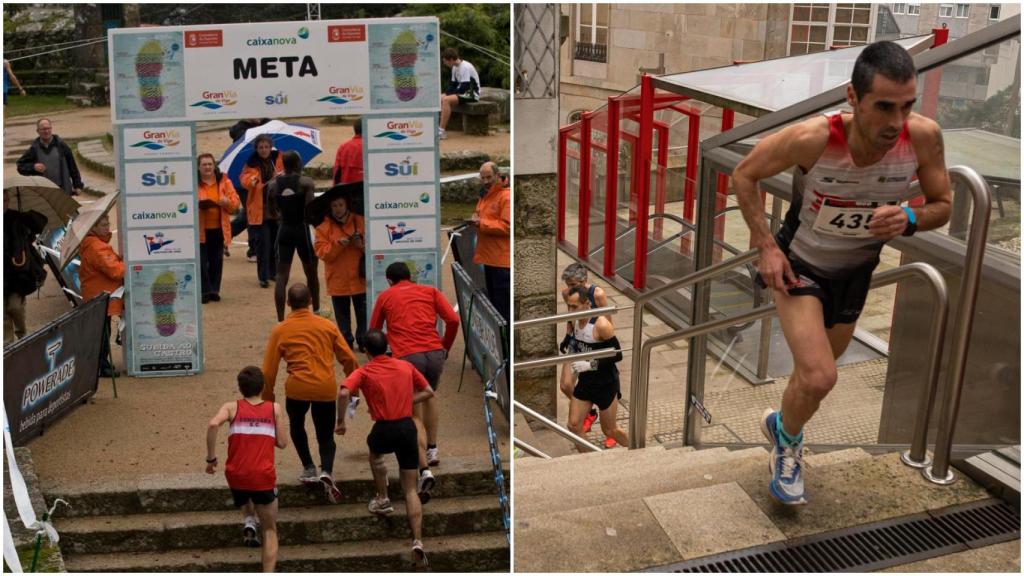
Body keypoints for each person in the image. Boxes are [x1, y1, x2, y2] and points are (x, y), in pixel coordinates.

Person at [732, 41, 951, 506]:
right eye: (884, 107)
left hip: (855, 273)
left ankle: (781, 427)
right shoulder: (815, 137)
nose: (896, 122)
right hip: (800, 268)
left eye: (907, 106)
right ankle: (789, 452)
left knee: (812, 380)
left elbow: (943, 205)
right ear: (853, 98)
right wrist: (767, 247)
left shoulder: (924, 137)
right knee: (819, 377)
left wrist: (910, 218)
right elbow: (744, 174)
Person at [335, 329, 434, 570]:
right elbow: (429, 391)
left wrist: (340, 422)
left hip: (384, 428)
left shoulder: (365, 370)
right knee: (411, 488)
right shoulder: (404, 367)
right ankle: (417, 540)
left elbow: (344, 391)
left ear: (366, 351)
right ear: (387, 346)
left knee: (375, 453)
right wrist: (406, 401)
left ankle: (383, 497)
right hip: (406, 428)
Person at [262, 283, 358, 504]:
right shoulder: (327, 326)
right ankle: (327, 471)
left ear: (287, 304)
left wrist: (268, 400)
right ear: (310, 302)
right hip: (324, 386)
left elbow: (269, 371)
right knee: (325, 434)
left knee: (297, 426)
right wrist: (353, 389)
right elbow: (349, 359)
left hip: (297, 387)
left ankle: (308, 466)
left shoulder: (280, 330)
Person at [370, 262, 459, 488]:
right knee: (430, 395)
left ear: (389, 280)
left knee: (413, 411)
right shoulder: (430, 291)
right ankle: (433, 447)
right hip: (434, 352)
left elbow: (374, 330)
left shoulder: (386, 296)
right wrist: (444, 346)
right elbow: (453, 319)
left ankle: (423, 466)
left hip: (408, 357)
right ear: (411, 276)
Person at [206, 366, 287, 573]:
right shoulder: (274, 409)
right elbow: (282, 443)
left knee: (243, 489)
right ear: (263, 387)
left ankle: (249, 519)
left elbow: (213, 424)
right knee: (270, 530)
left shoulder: (231, 407)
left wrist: (211, 458)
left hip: (236, 475)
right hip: (262, 476)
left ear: (240, 388)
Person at [562, 285, 628, 448]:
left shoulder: (602, 325)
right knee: (573, 426)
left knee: (610, 430)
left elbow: (618, 354)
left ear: (587, 304)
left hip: (606, 383)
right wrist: (567, 340)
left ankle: (638, 449)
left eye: (574, 306)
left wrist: (590, 364)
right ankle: (589, 461)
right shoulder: (573, 319)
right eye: (569, 306)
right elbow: (572, 333)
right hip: (586, 383)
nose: (571, 310)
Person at [267, 151, 319, 322]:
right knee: (311, 272)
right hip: (302, 229)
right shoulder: (306, 182)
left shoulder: (273, 184)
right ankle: (315, 312)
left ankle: (280, 319)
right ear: (298, 164)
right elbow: (311, 211)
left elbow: (270, 211)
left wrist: (281, 215)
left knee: (282, 275)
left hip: (285, 229)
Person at [559, 263, 610, 434]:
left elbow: (609, 321)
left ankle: (600, 416)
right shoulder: (567, 293)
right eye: (568, 285)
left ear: (584, 281)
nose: (570, 289)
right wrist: (567, 335)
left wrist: (605, 345)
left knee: (602, 387)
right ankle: (589, 411)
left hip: (594, 343)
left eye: (573, 285)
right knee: (566, 385)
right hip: (576, 340)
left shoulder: (598, 294)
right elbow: (570, 315)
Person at [314, 187, 367, 351]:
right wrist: (337, 245)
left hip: (360, 278)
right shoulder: (322, 227)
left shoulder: (361, 221)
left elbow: (374, 249)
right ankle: (346, 341)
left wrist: (361, 246)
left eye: (340, 205)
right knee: (342, 315)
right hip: (338, 278)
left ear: (347, 205)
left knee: (363, 312)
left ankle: (363, 340)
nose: (337, 209)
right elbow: (322, 253)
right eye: (334, 206)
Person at [79, 214, 125, 378]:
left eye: (108, 224)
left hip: (96, 295)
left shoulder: (94, 245)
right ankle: (102, 366)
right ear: (93, 228)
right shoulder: (97, 247)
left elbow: (110, 264)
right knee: (102, 333)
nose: (107, 227)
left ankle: (100, 363)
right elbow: (116, 271)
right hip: (101, 297)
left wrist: (118, 260)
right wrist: (126, 263)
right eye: (103, 225)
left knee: (101, 331)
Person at [239, 134, 283, 288]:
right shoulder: (251, 164)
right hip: (260, 210)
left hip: (276, 209)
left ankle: (274, 272)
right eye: (260, 147)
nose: (264, 150)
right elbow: (245, 180)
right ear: (256, 149)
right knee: (263, 246)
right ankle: (263, 277)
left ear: (271, 147)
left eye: (266, 147)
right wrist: (253, 181)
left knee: (275, 245)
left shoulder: (278, 159)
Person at [3, 190, 46, 343]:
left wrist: (27, 219)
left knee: (15, 307)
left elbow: (37, 228)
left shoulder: (16, 217)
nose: (4, 204)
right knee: (3, 315)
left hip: (16, 274)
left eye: (6, 200)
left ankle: (22, 334)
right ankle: (7, 346)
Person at [197, 153, 240, 304]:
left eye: (210, 164)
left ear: (214, 166)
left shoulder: (224, 181)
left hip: (219, 228)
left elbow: (235, 205)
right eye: (204, 164)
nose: (208, 167)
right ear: (198, 167)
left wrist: (226, 202)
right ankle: (205, 291)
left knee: (216, 261)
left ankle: (215, 290)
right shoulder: (193, 184)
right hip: (200, 229)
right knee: (201, 262)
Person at [470, 162, 510, 323]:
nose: (486, 181)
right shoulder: (486, 194)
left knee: (502, 309)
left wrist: (481, 223)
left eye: (489, 177)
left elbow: (507, 227)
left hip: (501, 262)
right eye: (483, 177)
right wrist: (476, 219)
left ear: (497, 175)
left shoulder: (505, 196)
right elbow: (482, 214)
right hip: (490, 258)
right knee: (495, 305)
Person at [228, 118, 272, 259]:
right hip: (243, 180)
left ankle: (225, 235)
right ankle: (254, 250)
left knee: (252, 214)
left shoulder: (268, 123)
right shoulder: (240, 130)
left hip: (263, 182)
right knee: (252, 215)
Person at [16, 118, 84, 196]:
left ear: (51, 129)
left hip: (63, 190)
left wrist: (78, 185)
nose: (46, 131)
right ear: (38, 131)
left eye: (48, 128)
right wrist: (33, 167)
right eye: (43, 129)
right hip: (44, 192)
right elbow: (20, 166)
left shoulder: (62, 146)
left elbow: (73, 167)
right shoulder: (34, 149)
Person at [439, 47, 481, 140]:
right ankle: (439, 127)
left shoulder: (465, 67)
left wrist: (448, 95)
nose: (444, 63)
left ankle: (441, 131)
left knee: (446, 100)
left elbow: (464, 88)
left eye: (445, 61)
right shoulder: (454, 67)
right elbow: (453, 85)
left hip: (472, 93)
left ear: (451, 60)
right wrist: (445, 93)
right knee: (440, 97)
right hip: (463, 92)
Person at [332, 120, 364, 185]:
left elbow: (337, 173)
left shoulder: (344, 147)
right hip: (369, 190)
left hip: (347, 190)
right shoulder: (372, 147)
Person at [4, 59, 26, 124]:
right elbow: (12, 76)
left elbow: (11, 76)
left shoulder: (4, 63)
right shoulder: (5, 62)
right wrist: (20, 89)